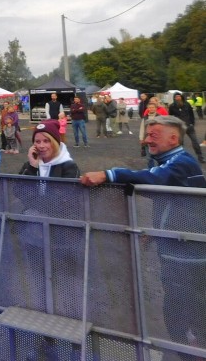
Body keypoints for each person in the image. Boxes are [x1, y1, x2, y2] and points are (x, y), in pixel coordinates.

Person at [80, 115, 205, 358]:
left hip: (188, 253)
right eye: (147, 135)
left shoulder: (181, 162)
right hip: (176, 246)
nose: (147, 140)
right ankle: (184, 348)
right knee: (180, 304)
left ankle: (188, 350)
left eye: (153, 136)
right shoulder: (167, 160)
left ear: (173, 138)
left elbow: (154, 180)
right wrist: (155, 231)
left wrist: (109, 174)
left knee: (185, 307)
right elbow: (169, 199)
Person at [168, 92, 204, 162]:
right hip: (179, 127)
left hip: (189, 126)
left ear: (181, 97)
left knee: (195, 141)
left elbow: (191, 114)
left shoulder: (187, 104)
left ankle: (200, 157)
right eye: (176, 97)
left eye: (179, 96)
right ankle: (180, 158)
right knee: (180, 143)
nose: (178, 98)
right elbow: (170, 116)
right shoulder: (172, 106)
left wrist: (192, 123)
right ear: (174, 98)